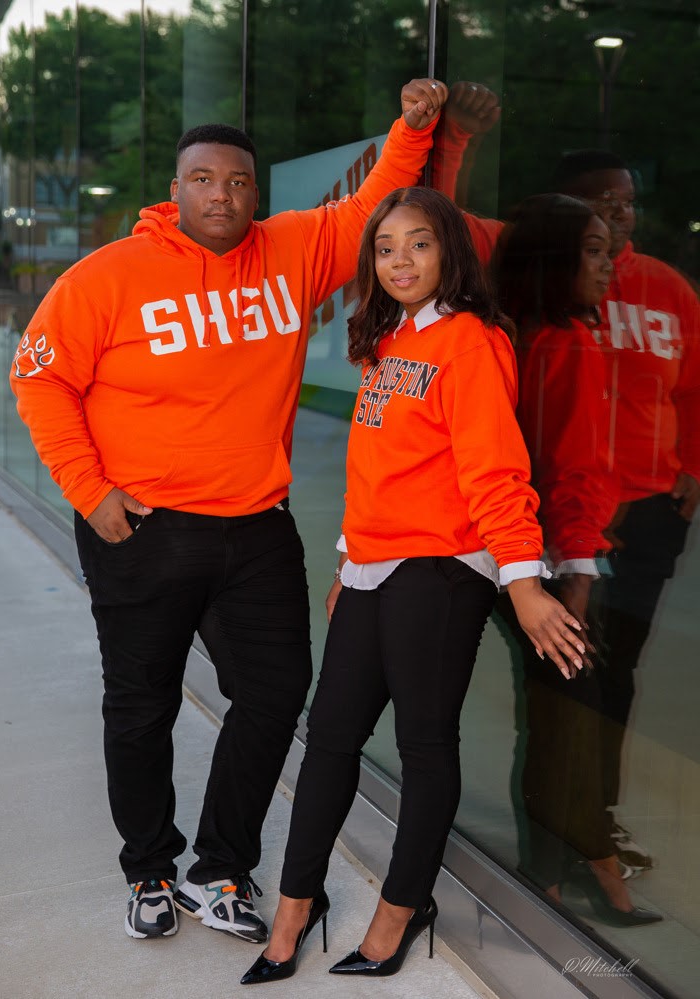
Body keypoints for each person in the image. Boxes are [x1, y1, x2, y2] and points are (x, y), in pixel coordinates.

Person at [9, 78, 450, 942]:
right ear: (175, 191)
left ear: (259, 191)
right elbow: (42, 378)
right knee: (141, 705)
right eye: (204, 180)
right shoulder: (109, 276)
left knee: (277, 690)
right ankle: (149, 870)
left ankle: (221, 867)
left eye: (239, 181)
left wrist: (412, 126)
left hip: (255, 527)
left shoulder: (292, 249)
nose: (223, 195)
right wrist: (91, 493)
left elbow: (370, 207)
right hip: (139, 528)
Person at [240, 186, 586, 986]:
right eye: (386, 246)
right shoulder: (388, 339)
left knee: (425, 746)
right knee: (328, 737)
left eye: (419, 243)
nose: (400, 259)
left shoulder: (469, 342)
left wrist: (525, 581)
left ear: (451, 253)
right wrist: (346, 560)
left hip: (442, 569)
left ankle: (400, 908)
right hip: (373, 566)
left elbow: (497, 470)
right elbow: (376, 470)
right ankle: (297, 905)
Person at [434, 97, 700, 872]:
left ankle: (590, 835)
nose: (621, 221)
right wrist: (452, 141)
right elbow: (442, 222)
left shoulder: (656, 285)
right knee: (565, 687)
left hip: (641, 510)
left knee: (606, 678)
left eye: (628, 205)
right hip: (541, 525)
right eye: (603, 208)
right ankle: (570, 852)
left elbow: (692, 387)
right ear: (564, 220)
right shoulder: (531, 301)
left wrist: (690, 467)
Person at [493, 193, 661, 926]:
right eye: (593, 250)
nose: (609, 264)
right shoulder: (566, 342)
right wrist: (581, 571)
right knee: (570, 715)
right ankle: (571, 867)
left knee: (560, 713)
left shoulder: (516, 332)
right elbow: (574, 470)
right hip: (555, 556)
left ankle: (563, 866)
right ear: (556, 257)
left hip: (520, 548)